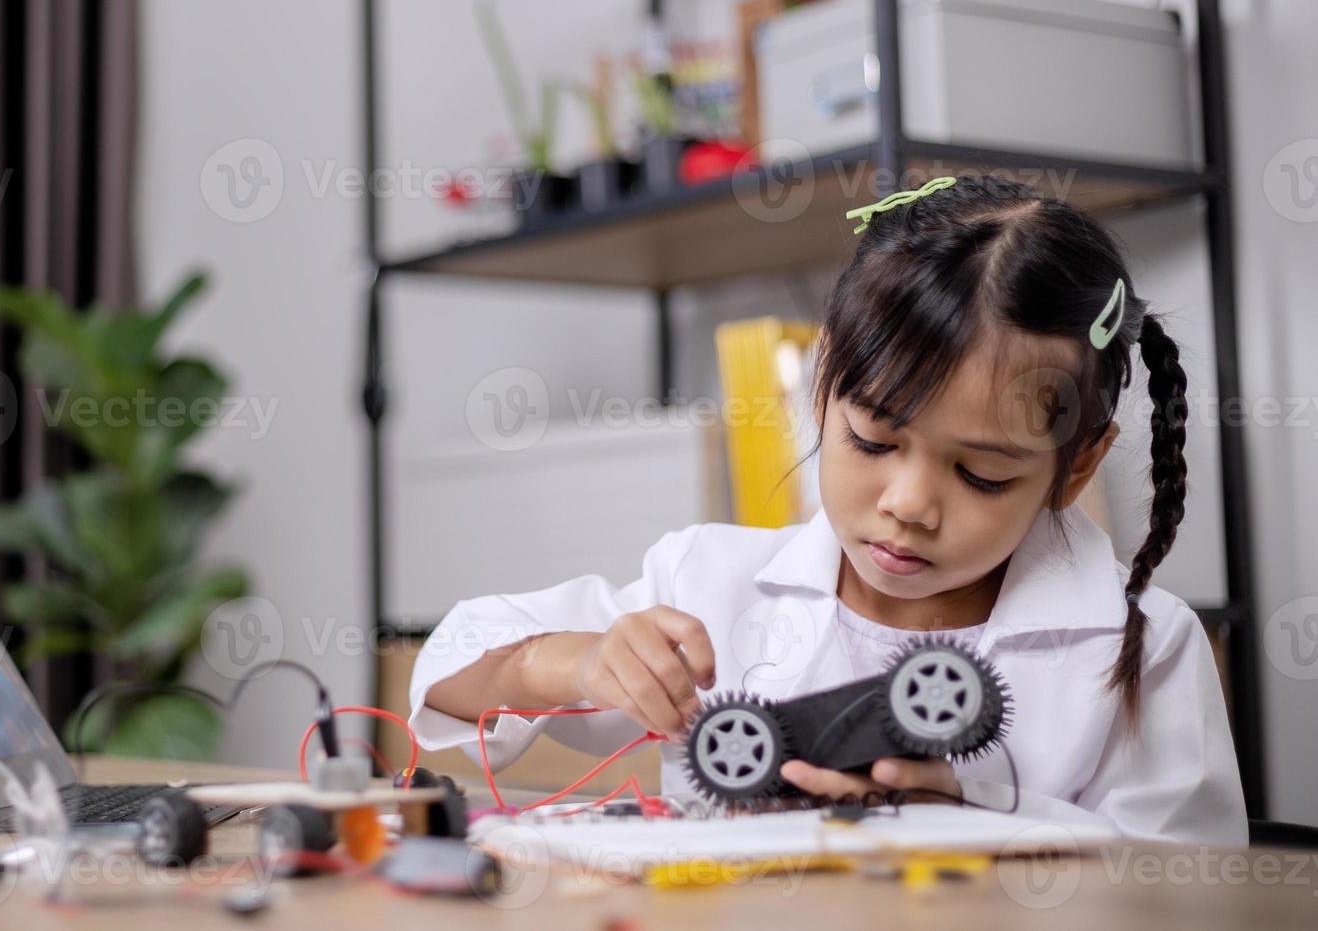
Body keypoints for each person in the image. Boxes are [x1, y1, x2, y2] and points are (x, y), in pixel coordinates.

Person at [409, 175, 1247, 845]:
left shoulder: (1146, 645)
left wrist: (978, 817)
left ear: (1076, 469)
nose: (910, 505)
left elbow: (1192, 889)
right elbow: (449, 669)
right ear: (821, 391)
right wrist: (582, 664)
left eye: (984, 475)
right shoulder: (709, 585)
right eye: (875, 443)